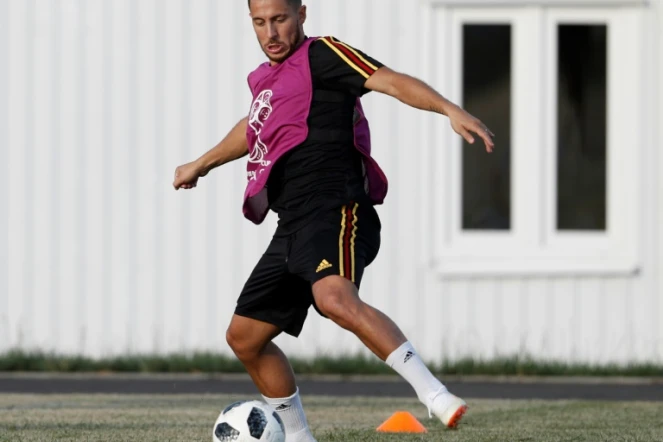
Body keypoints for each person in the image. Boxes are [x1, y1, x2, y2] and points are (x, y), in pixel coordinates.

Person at [173, 0, 494, 440]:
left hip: (338, 209)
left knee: (333, 298)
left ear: (302, 14)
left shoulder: (322, 55)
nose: (271, 33)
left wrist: (448, 109)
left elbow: (391, 81)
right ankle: (300, 438)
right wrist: (202, 163)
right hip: (293, 225)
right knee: (245, 337)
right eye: (260, 22)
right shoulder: (266, 81)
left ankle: (436, 395)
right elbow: (254, 127)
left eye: (280, 20)